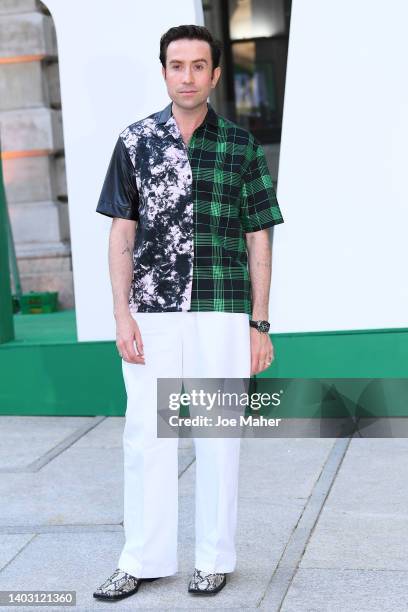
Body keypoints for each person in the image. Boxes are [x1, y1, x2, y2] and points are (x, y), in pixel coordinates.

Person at [93, 24, 284, 601]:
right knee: (145, 434)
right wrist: (122, 314)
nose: (188, 76)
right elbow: (121, 230)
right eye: (178, 65)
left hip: (223, 309)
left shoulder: (241, 145)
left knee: (217, 436)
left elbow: (259, 237)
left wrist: (260, 321)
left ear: (216, 74)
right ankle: (144, 559)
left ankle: (214, 558)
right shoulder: (134, 141)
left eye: (200, 66)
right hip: (152, 309)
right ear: (164, 72)